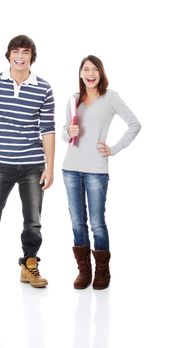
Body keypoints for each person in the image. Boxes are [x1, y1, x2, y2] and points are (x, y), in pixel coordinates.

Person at [0, 35, 55, 298]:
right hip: (0, 164)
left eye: (25, 52)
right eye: (15, 52)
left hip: (32, 164)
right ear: (9, 55)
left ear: (32, 56)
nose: (20, 56)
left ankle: (29, 265)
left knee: (33, 222)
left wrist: (49, 167)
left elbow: (48, 130)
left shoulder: (43, 88)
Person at [62, 55, 141, 290]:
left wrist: (114, 148)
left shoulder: (110, 97)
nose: (90, 73)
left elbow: (135, 124)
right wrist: (69, 131)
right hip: (71, 168)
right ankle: (84, 272)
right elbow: (66, 133)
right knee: (77, 223)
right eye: (86, 69)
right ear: (80, 74)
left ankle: (103, 272)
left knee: (97, 222)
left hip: (96, 169)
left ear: (101, 73)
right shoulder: (74, 99)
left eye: (94, 69)